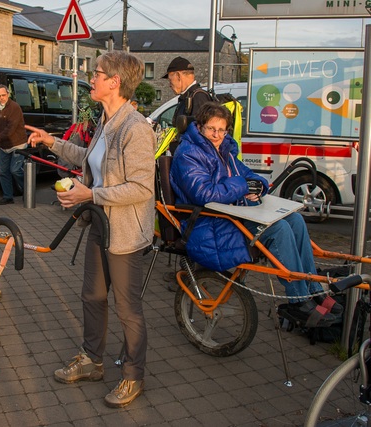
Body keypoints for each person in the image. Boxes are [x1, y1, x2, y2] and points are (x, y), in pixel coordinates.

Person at [25, 51, 155, 408]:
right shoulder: (106, 121)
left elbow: (142, 188)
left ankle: (132, 376)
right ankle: (92, 361)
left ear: (115, 82)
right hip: (100, 225)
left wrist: (91, 193)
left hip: (126, 233)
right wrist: (52, 143)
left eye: (96, 74)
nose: (90, 78)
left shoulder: (136, 128)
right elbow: (88, 160)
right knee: (92, 296)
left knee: (128, 309)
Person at [169, 102, 340, 327]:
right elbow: (204, 193)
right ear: (199, 126)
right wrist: (242, 186)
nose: (217, 135)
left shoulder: (224, 149)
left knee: (295, 220)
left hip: (229, 215)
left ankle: (313, 289)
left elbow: (248, 175)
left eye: (222, 130)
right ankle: (297, 299)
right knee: (277, 230)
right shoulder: (189, 153)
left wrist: (258, 186)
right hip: (207, 224)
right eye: (212, 129)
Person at [162, 56, 213, 153]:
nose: (169, 84)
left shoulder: (198, 97)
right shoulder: (189, 96)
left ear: (178, 76)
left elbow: (200, 136)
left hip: (193, 159)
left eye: (170, 80)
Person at [0, 84, 27, 205]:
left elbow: (11, 128)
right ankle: (8, 196)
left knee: (15, 170)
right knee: (3, 171)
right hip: (4, 145)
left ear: (8, 94)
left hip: (17, 143)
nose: (1, 98)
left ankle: (27, 190)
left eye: (3, 95)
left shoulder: (15, 107)